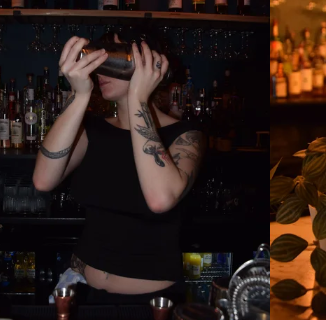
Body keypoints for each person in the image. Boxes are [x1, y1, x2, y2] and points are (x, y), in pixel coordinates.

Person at [32, 32, 206, 306]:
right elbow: (43, 180)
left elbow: (160, 199)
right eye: (99, 57)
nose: (102, 67)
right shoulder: (94, 129)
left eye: (115, 57)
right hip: (82, 292)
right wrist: (80, 96)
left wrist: (138, 97)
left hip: (150, 303)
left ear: (151, 64)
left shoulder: (185, 135)